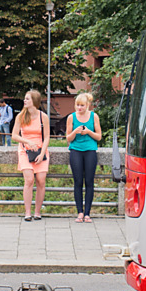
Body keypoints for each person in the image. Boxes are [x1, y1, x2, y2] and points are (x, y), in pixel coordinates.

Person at [12, 89, 49, 221]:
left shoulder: (43, 117)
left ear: (34, 101)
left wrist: (42, 153)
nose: (24, 101)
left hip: (40, 151)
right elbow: (14, 136)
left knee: (41, 180)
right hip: (25, 150)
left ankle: (37, 212)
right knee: (29, 180)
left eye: (27, 99)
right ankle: (27, 212)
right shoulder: (21, 116)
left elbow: (47, 137)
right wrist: (28, 141)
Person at [66, 92, 102, 223]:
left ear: (87, 105)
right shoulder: (71, 117)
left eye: (82, 105)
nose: (79, 108)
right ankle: (79, 212)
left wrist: (88, 132)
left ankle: (87, 213)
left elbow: (99, 136)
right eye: (77, 105)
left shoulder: (94, 116)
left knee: (89, 181)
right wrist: (75, 132)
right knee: (78, 181)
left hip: (90, 150)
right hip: (76, 150)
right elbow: (68, 138)